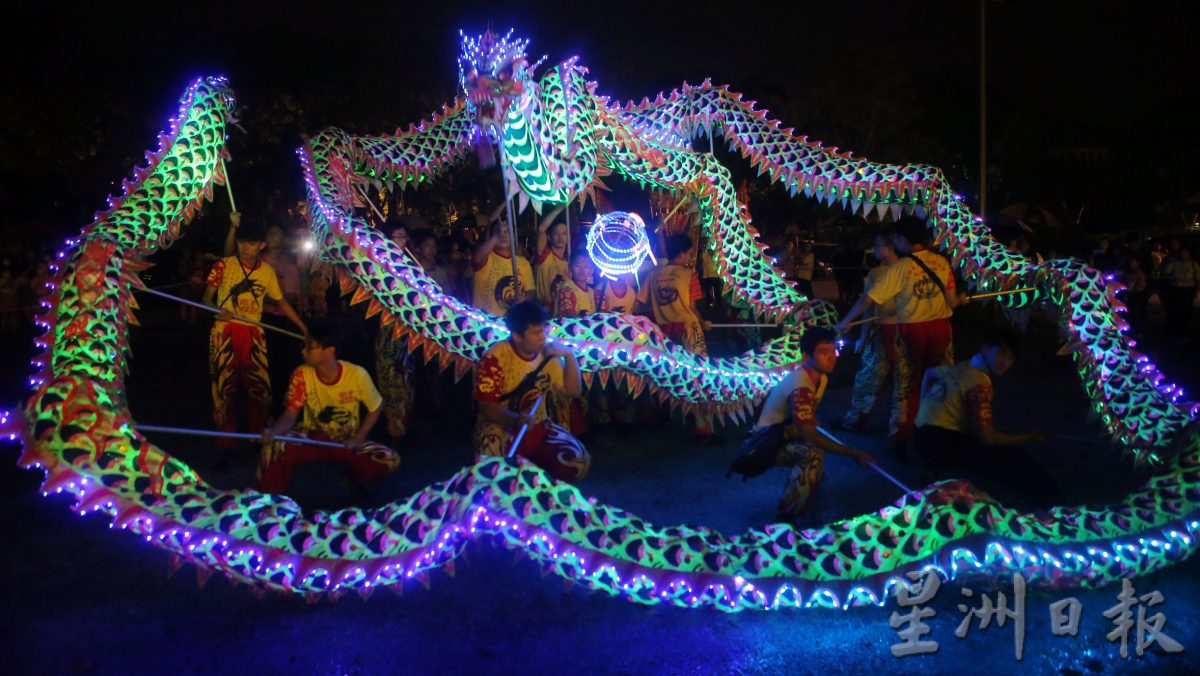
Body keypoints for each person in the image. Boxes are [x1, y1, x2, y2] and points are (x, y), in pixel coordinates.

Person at [836, 218, 959, 453]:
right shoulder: (942, 263)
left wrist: (846, 320)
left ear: (902, 240)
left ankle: (902, 436)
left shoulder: (900, 268)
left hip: (912, 329)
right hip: (942, 328)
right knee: (940, 379)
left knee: (907, 385)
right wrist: (960, 300)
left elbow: (868, 300)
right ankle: (941, 431)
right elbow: (952, 301)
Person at [733, 328, 873, 519]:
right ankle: (786, 517)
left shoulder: (820, 378)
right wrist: (853, 453)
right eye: (824, 352)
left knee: (814, 447)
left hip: (782, 434)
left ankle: (809, 483)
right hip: (761, 445)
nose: (832, 357)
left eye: (833, 351)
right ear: (806, 355)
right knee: (812, 452)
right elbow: (810, 434)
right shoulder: (801, 386)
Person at [258, 319, 399, 495]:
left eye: (309, 347)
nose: (303, 351)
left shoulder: (356, 374)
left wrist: (359, 437)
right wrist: (273, 432)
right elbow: (290, 415)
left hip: (345, 440)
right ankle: (270, 502)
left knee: (389, 458)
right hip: (311, 437)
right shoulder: (301, 374)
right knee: (274, 447)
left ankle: (354, 480)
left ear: (329, 351)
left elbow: (376, 406)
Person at [914, 330, 1057, 499]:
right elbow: (988, 437)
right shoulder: (978, 383)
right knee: (1015, 460)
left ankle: (933, 465)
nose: (1004, 362)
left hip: (920, 431)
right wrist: (1028, 436)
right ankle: (1052, 504)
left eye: (1010, 358)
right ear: (984, 349)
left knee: (977, 437)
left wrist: (923, 407)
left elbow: (930, 373)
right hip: (940, 439)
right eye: (1001, 354)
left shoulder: (965, 365)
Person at [202, 222, 307, 450]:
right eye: (242, 243)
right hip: (225, 333)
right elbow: (205, 299)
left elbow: (282, 303)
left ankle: (259, 439)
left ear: (261, 245)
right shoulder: (223, 265)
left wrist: (303, 328)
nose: (246, 248)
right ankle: (225, 444)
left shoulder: (267, 272)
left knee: (258, 388)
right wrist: (216, 311)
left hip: (254, 333)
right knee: (223, 389)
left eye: (251, 244)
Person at [473, 301, 590, 481]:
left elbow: (572, 391)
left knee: (577, 461)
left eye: (544, 330)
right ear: (517, 336)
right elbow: (487, 406)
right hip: (502, 426)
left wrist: (569, 355)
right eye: (536, 333)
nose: (543, 337)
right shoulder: (495, 357)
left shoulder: (548, 356)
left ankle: (536, 483)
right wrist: (515, 419)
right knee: (492, 469)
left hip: (538, 425)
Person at [639, 233, 717, 440]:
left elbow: (642, 302)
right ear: (682, 254)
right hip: (688, 330)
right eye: (689, 253)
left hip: (662, 332)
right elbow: (691, 306)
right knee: (697, 376)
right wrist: (702, 321)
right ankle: (701, 425)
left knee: (663, 375)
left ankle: (661, 417)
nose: (690, 257)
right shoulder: (688, 274)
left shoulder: (653, 275)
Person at [841, 232, 901, 429]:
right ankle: (859, 418)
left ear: (891, 246)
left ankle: (895, 423)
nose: (874, 249)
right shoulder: (876, 273)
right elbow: (869, 307)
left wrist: (851, 325)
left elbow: (867, 304)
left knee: (886, 378)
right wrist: (863, 337)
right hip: (883, 329)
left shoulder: (900, 270)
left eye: (878, 245)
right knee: (871, 377)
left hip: (896, 330)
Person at [472, 219, 535, 315]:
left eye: (507, 232)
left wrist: (525, 298)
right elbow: (477, 260)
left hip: (511, 322)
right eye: (499, 232)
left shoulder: (522, 263)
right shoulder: (487, 257)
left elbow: (531, 291)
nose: (503, 235)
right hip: (486, 322)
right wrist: (496, 236)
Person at [534, 205, 569, 309]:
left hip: (562, 312)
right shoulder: (545, 256)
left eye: (564, 234)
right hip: (544, 312)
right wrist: (561, 207)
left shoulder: (569, 263)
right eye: (556, 233)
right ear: (549, 237)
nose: (560, 237)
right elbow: (541, 229)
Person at [1161, 248, 1199, 341]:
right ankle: (1176, 332)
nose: (1184, 254)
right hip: (1177, 289)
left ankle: (1184, 332)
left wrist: (1197, 290)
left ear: (1189, 253)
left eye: (1185, 252)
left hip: (1188, 290)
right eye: (1182, 253)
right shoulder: (1175, 263)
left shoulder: (1194, 264)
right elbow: (1166, 271)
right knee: (1176, 310)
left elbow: (1198, 278)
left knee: (1187, 311)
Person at [554, 250, 597, 317]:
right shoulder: (567, 289)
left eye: (586, 267)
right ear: (570, 266)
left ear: (591, 270)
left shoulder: (591, 292)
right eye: (578, 266)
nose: (582, 270)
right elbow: (569, 318)